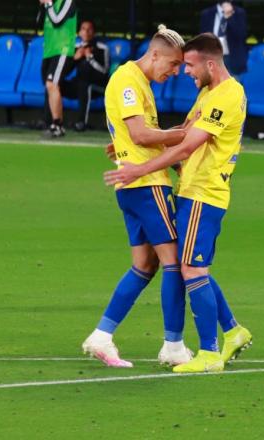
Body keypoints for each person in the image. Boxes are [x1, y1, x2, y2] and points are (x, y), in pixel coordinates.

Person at [104, 33, 252, 374]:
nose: (184, 71)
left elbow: (187, 147)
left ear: (210, 64)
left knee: (191, 269)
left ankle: (210, 353)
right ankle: (232, 330)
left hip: (204, 192)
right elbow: (184, 130)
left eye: (188, 65)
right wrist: (133, 142)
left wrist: (140, 167)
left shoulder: (228, 96)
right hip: (190, 190)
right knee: (192, 265)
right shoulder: (208, 92)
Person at [82, 25, 193, 368]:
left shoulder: (136, 82)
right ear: (155, 54)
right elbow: (141, 134)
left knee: (145, 265)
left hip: (132, 186)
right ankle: (173, 345)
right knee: (175, 261)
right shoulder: (129, 80)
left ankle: (101, 336)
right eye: (173, 65)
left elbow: (131, 134)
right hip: (146, 184)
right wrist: (185, 136)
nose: (174, 73)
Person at [61, 20, 110, 132]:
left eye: (89, 29)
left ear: (94, 32)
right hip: (79, 85)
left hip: (97, 86)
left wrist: (90, 58)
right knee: (55, 85)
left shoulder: (102, 48)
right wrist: (75, 58)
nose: (86, 32)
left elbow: (104, 73)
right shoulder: (76, 47)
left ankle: (81, 122)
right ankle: (52, 121)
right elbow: (65, 72)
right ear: (79, 32)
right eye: (83, 29)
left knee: (85, 85)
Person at [38, 0, 77, 138]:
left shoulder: (68, 2)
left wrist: (48, 4)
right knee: (51, 87)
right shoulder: (51, 4)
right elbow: (38, 24)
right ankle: (55, 124)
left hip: (63, 49)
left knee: (52, 84)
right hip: (49, 51)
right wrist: (43, 7)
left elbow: (57, 21)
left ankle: (56, 125)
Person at [199, 1, 248, 78]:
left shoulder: (239, 13)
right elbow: (202, 39)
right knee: (210, 88)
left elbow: (241, 35)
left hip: (232, 59)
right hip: (211, 58)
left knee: (233, 88)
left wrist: (229, 17)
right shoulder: (206, 14)